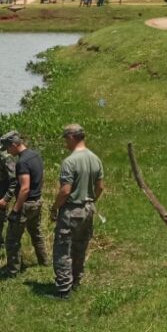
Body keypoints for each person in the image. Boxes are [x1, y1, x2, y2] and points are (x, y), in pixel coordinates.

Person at [49, 124, 104, 299]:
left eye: (66, 139)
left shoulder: (69, 162)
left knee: (62, 250)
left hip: (71, 211)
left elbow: (65, 191)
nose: (65, 142)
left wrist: (54, 207)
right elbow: (100, 187)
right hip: (88, 210)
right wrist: (91, 200)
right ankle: (76, 282)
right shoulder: (95, 159)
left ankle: (64, 290)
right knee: (80, 248)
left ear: (72, 138)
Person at [0, 131, 48, 277]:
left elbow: (25, 188)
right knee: (36, 233)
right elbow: (40, 178)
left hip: (26, 205)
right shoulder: (35, 155)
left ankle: (13, 272)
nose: (7, 151)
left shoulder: (22, 162)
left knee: (12, 239)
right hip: (37, 202)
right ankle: (44, 262)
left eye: (8, 148)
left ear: (14, 145)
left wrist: (15, 209)